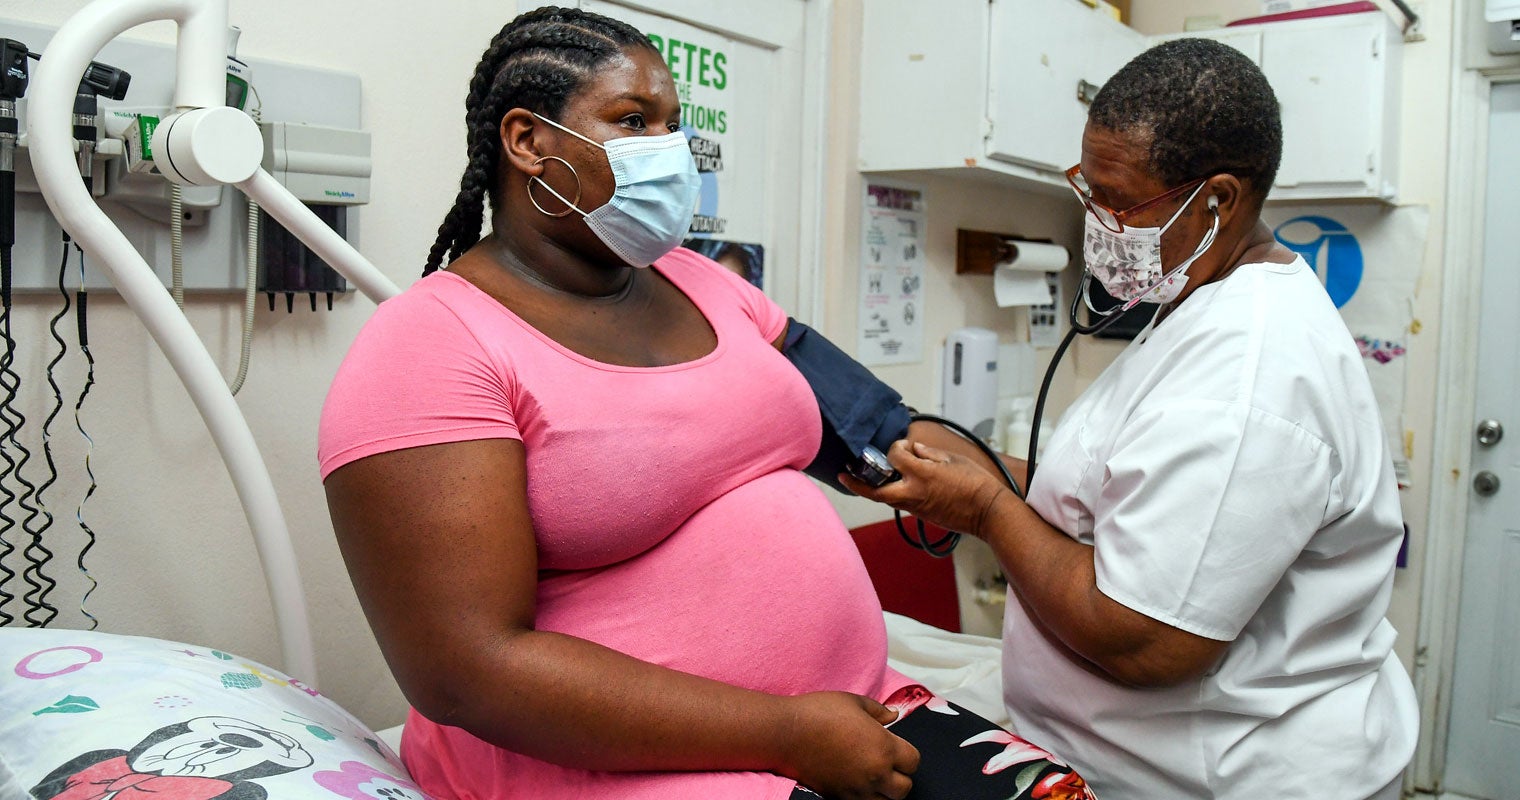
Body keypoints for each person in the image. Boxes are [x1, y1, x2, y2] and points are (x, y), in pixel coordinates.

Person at [318, 8, 1093, 800]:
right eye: (633, 121)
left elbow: (880, 430)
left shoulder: (705, 283)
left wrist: (1074, 496)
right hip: (614, 761)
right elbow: (467, 672)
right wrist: (785, 733)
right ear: (527, 141)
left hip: (849, 709)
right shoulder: (429, 345)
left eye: (675, 125)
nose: (671, 151)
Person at [844, 38, 1420, 800]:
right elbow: (1123, 498)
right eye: (1090, 188)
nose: (1101, 220)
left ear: (1218, 200)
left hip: (1226, 773)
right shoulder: (1208, 300)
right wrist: (986, 466)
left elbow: (1145, 639)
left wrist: (984, 507)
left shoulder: (1248, 374)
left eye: (1122, 201)